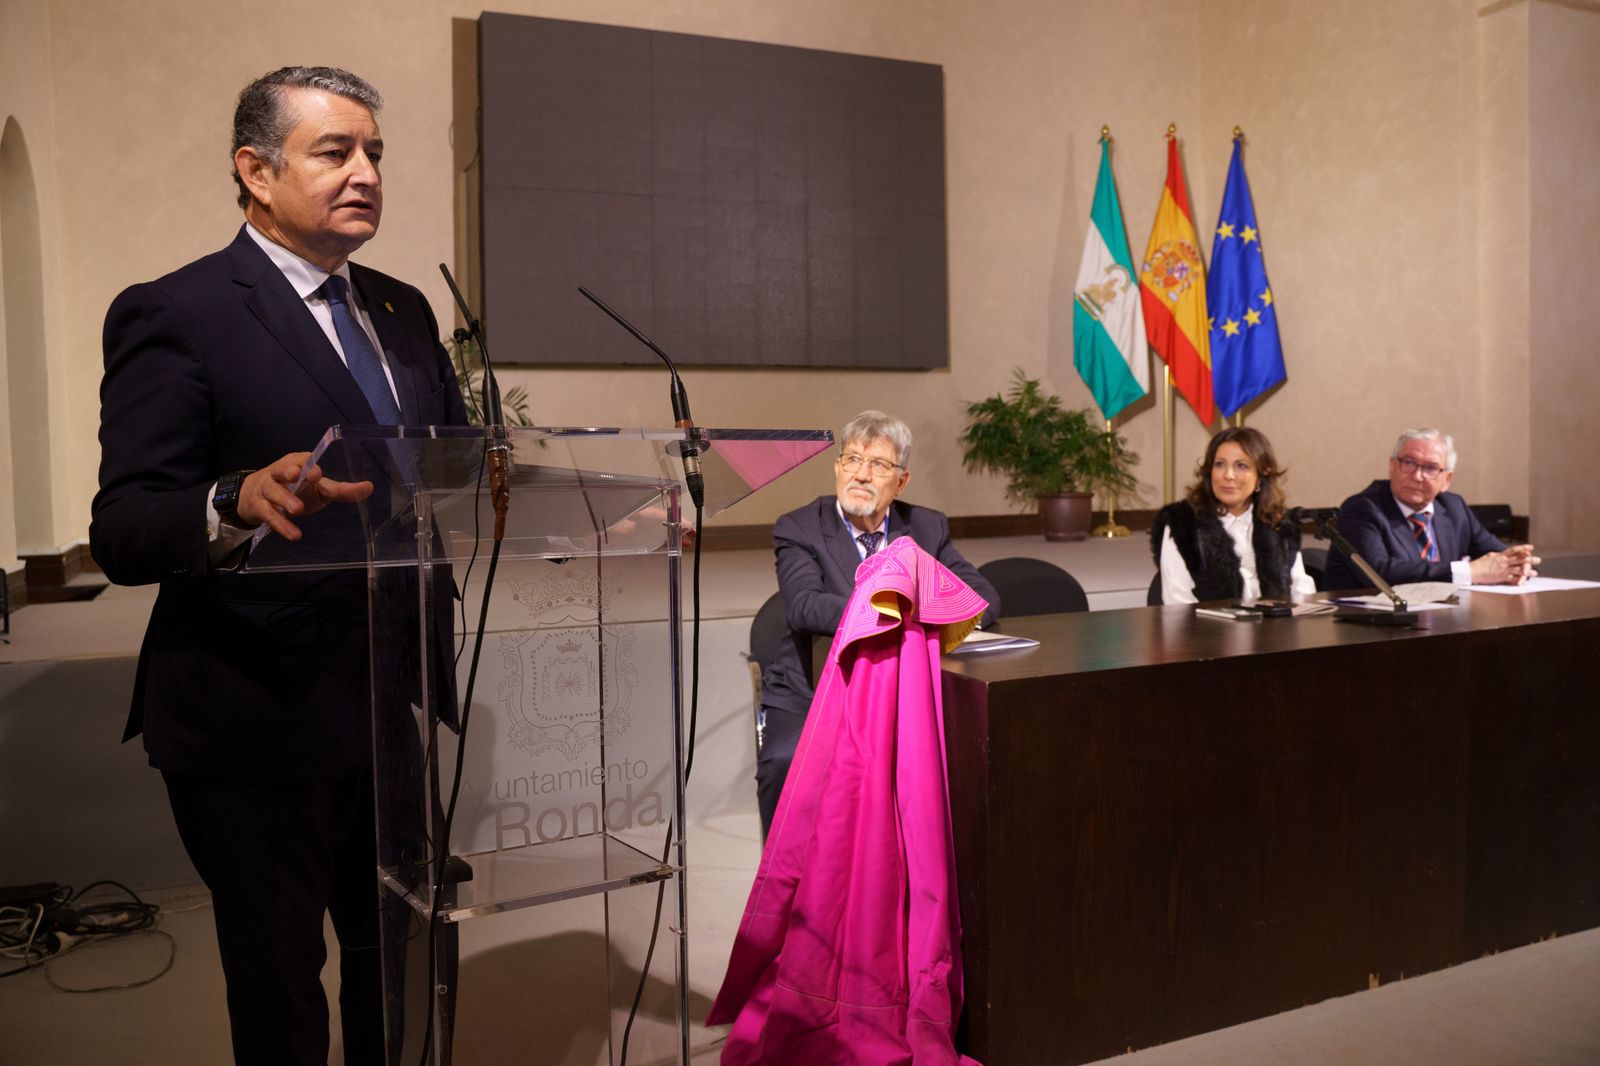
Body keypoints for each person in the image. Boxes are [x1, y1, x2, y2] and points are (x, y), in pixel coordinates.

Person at [89, 67, 467, 1066]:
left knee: (407, 962)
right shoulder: (181, 311)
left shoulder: (402, 310)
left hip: (390, 708)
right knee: (281, 989)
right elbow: (124, 526)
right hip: (255, 713)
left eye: (374, 153)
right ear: (255, 171)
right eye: (334, 151)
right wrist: (227, 501)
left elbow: (453, 465)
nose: (366, 173)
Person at [755, 410, 999, 835]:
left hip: (903, 694)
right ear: (837, 467)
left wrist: (918, 608)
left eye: (879, 465)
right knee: (784, 763)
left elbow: (982, 599)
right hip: (813, 690)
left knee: (966, 762)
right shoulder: (799, 527)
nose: (861, 475)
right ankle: (788, 890)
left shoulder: (925, 526)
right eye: (852, 460)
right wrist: (896, 610)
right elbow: (805, 606)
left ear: (901, 481)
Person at [1322, 428, 1538, 591]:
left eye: (1431, 468)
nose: (1417, 476)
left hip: (1443, 622)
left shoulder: (1454, 507)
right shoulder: (1361, 509)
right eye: (1408, 463)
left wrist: (1517, 565)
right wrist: (1469, 571)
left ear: (1447, 479)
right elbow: (1379, 572)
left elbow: (1499, 556)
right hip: (1368, 631)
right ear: (1392, 466)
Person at [1150, 426, 1317, 604]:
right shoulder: (1182, 523)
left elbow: (1300, 587)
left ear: (1260, 477)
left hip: (1276, 628)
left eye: (1241, 466)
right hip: (1206, 629)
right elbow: (1177, 601)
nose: (1228, 475)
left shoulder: (1278, 522)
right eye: (1220, 464)